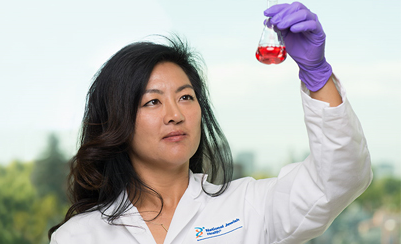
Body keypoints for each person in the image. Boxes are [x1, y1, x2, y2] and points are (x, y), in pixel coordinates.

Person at [49, 2, 372, 243]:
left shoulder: (249, 207)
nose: (175, 114)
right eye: (152, 101)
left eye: (186, 97)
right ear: (116, 122)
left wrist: (317, 76)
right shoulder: (79, 236)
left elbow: (339, 178)